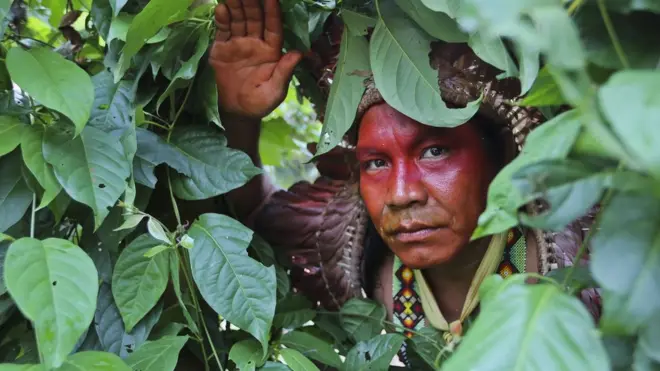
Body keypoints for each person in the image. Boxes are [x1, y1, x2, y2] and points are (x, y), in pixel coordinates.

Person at [209, 0, 600, 362]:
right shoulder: (343, 244)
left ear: (503, 156)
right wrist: (240, 117)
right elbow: (253, 214)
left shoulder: (590, 256)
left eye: (434, 152)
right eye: (376, 163)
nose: (401, 194)